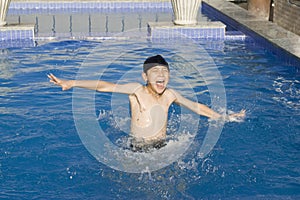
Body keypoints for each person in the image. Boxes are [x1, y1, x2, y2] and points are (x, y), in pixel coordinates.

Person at [48, 55, 245, 151]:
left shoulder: (170, 95)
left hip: (163, 145)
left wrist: (224, 117)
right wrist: (72, 83)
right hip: (138, 149)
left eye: (165, 72)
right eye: (155, 72)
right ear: (145, 76)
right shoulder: (137, 90)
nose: (161, 76)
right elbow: (104, 86)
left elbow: (196, 107)